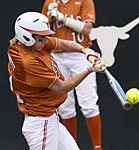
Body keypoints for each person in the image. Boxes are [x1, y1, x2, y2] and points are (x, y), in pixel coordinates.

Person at [7, 11, 106, 150]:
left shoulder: (29, 45)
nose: (45, 41)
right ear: (26, 37)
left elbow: (61, 43)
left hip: (50, 118)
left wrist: (85, 51)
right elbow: (63, 87)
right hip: (41, 124)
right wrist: (90, 69)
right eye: (41, 38)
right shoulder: (28, 62)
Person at [41, 0, 102, 149]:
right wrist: (49, 18)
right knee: (65, 106)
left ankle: (97, 147)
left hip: (80, 54)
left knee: (89, 104)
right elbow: (40, 31)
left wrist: (62, 18)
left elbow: (87, 29)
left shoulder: (86, 1)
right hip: (57, 55)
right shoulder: (50, 2)